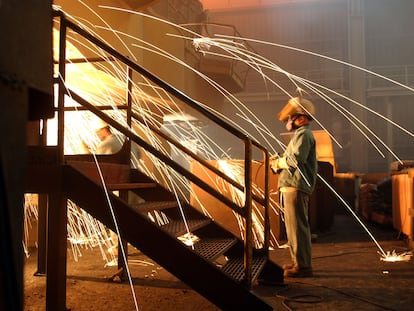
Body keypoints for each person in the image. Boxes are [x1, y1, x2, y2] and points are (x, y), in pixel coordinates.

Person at [270, 97, 317, 278]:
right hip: (291, 186)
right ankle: (298, 262)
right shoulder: (299, 135)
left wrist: (278, 162)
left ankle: (303, 267)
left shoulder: (304, 135)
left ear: (302, 118)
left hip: (296, 187)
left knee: (297, 228)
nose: (289, 122)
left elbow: (294, 160)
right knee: (292, 228)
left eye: (292, 118)